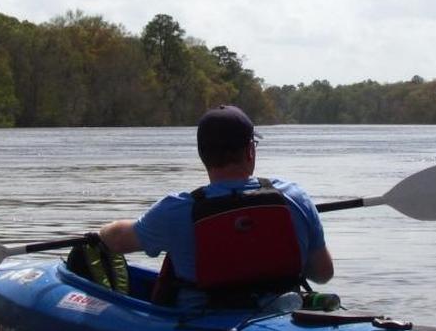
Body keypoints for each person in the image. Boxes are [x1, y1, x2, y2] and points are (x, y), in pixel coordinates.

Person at [94, 105, 334, 308]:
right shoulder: (295, 197)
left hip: (203, 325)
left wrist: (102, 232)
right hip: (282, 318)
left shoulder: (176, 210)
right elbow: (323, 273)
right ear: (250, 151)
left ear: (202, 155)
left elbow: (116, 241)